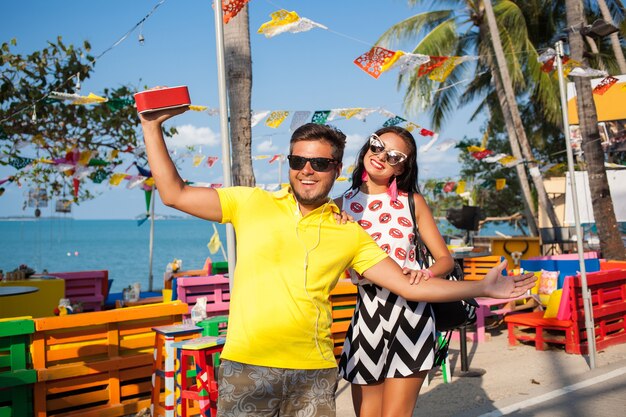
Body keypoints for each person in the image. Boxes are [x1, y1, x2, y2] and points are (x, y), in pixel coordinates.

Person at [138, 101, 536, 417]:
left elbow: (407, 280)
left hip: (317, 370)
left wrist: (482, 288)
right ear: (288, 164)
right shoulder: (252, 202)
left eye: (320, 163)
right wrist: (152, 127)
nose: (307, 170)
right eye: (299, 162)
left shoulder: (350, 229)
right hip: (249, 366)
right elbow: (173, 193)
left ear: (336, 167)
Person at [337, 126, 453, 417]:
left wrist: (424, 275)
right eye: (377, 146)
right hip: (367, 313)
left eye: (393, 155)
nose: (380, 156)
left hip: (412, 314)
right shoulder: (339, 206)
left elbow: (445, 260)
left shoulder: (413, 203)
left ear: (402, 167)